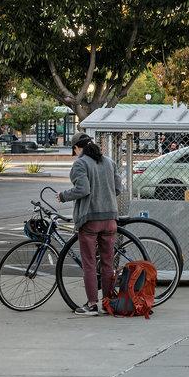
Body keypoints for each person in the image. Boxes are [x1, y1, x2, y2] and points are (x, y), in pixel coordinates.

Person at [58, 133, 123, 317]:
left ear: (77, 148)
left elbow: (83, 189)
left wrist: (63, 196)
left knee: (89, 264)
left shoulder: (81, 163)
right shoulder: (109, 162)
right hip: (110, 219)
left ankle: (92, 304)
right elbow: (118, 188)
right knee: (108, 263)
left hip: (90, 220)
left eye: (74, 150)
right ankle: (109, 302)